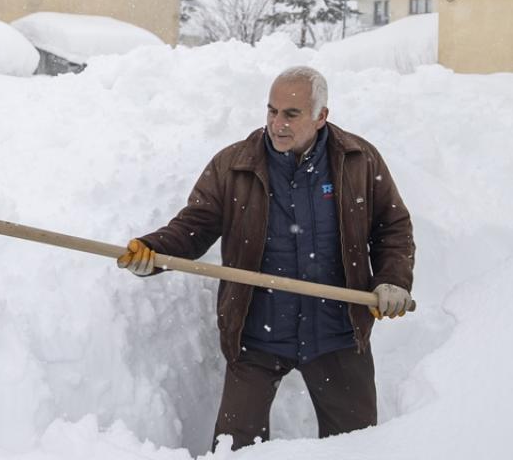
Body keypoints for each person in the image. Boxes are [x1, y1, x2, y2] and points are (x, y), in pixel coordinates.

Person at [117, 65, 414, 450]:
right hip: (257, 333)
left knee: (356, 449)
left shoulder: (358, 161)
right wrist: (154, 252)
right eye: (272, 111)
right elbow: (195, 225)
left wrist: (392, 280)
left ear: (322, 116)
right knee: (234, 450)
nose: (277, 124)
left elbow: (393, 227)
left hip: (337, 333)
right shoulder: (235, 165)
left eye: (291, 114)